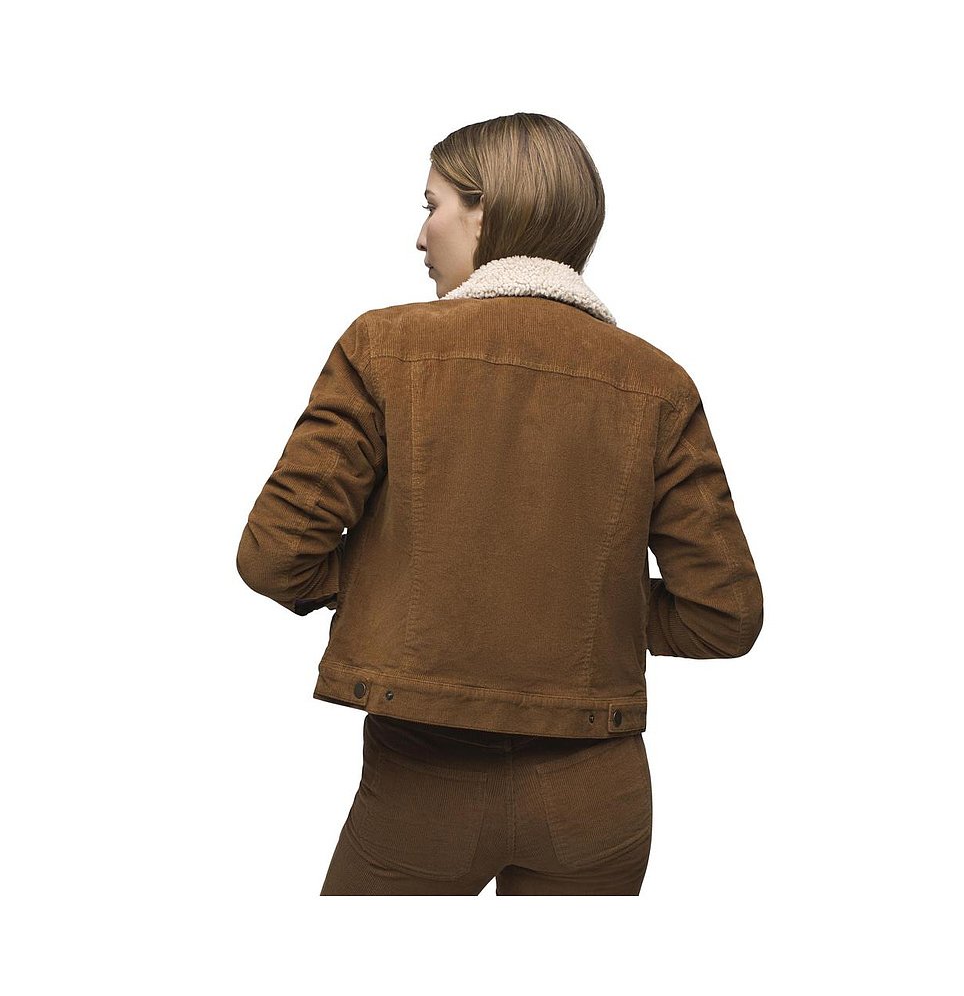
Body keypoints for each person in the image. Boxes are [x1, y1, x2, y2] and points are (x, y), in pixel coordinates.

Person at [236, 112, 764, 895]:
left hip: (422, 787)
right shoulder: (659, 384)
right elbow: (725, 614)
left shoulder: (383, 347)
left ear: (487, 211)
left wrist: (407, 590)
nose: (420, 237)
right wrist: (573, 615)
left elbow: (275, 556)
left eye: (432, 206)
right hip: (598, 802)